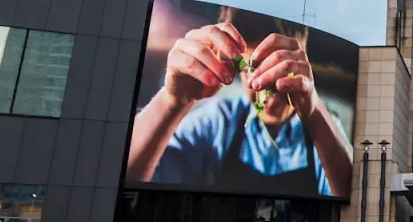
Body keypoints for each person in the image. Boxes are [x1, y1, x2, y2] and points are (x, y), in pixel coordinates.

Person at [126, 12, 354, 198]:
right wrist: (171, 103)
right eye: (250, 71)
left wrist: (315, 113)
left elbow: (354, 197)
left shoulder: (324, 130)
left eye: (277, 69)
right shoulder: (218, 122)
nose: (263, 90)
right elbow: (126, 177)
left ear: (302, 62)